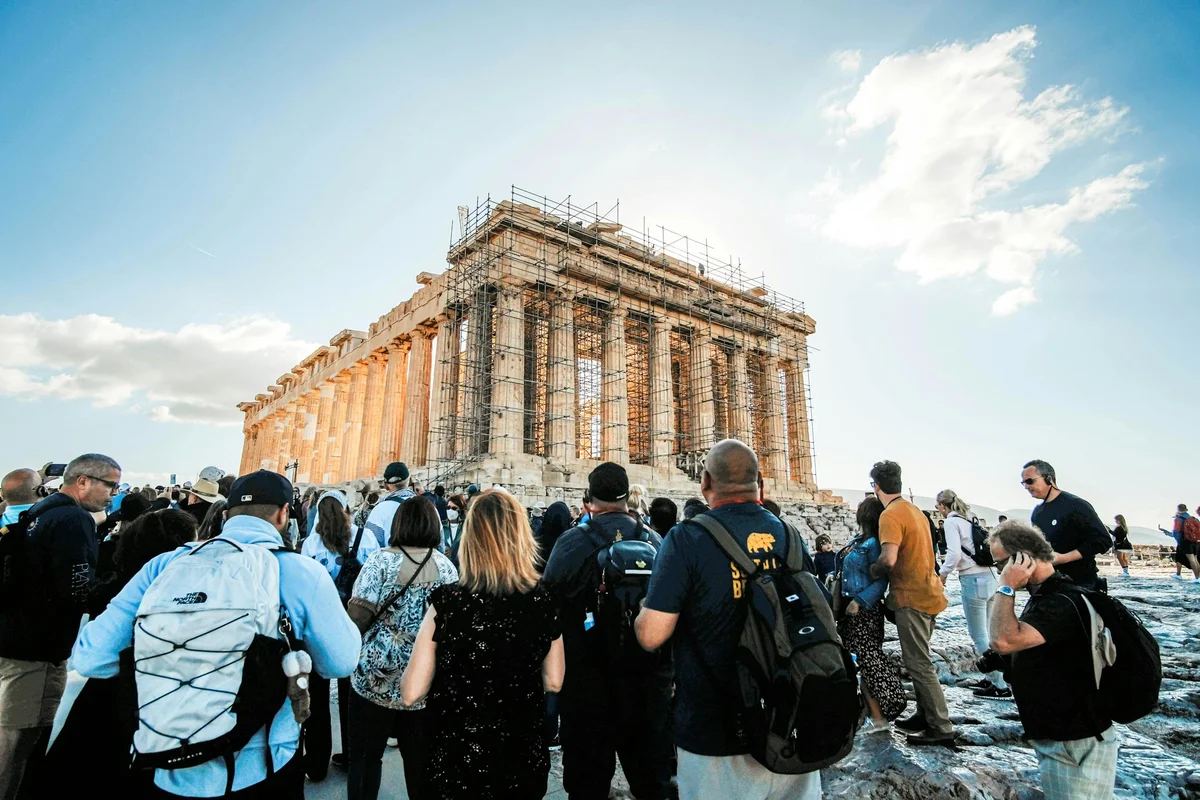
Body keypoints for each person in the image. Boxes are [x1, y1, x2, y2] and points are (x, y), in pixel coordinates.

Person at [72, 470, 361, 799]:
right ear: (284, 514)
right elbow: (340, 662)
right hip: (262, 765)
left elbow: (92, 658)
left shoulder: (163, 566)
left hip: (164, 763)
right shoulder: (300, 572)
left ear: (225, 515)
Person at [635, 439, 821, 800]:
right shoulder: (791, 537)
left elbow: (652, 636)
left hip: (715, 735)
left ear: (704, 481)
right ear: (760, 482)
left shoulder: (687, 538)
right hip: (792, 727)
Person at [401, 490, 564, 799]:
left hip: (454, 758)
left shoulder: (448, 602)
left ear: (470, 539)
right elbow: (554, 680)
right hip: (520, 755)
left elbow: (411, 693)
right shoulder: (543, 600)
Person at [27, 509, 198, 797]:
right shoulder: (169, 594)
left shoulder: (112, 585)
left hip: (97, 707)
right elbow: (96, 656)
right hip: (138, 707)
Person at [543, 464, 673, 800]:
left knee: (587, 788)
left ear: (588, 500)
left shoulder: (571, 543)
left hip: (588, 686)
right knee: (653, 785)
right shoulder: (656, 542)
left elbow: (548, 606)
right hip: (647, 684)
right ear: (627, 498)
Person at [0, 453, 120, 799]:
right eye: (109, 484)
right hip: (39, 644)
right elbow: (76, 586)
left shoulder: (42, 509)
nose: (113, 493)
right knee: (20, 739)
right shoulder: (72, 519)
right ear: (83, 481)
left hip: (14, 632)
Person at [986, 521, 1118, 799]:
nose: (999, 572)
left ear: (1022, 558)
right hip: (1065, 739)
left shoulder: (1060, 601)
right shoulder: (1049, 595)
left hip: (1074, 742)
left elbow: (1002, 640)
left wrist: (1006, 586)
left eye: (1001, 564)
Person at [345, 496, 457, 800]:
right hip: (424, 684)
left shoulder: (380, 561)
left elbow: (357, 617)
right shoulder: (446, 567)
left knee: (366, 760)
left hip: (374, 679)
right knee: (420, 765)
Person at [867, 460, 954, 745]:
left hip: (911, 597)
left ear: (876, 486)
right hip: (930, 593)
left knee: (918, 664)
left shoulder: (890, 515)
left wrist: (872, 571)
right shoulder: (915, 511)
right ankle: (924, 713)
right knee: (919, 659)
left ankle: (940, 727)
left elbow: (889, 558)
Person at [300, 490, 380, 780]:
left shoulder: (311, 543)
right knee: (351, 696)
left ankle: (317, 762)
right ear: (347, 509)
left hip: (319, 626)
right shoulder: (365, 538)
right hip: (354, 624)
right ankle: (351, 756)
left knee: (318, 699)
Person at [836, 497, 906, 734]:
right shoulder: (860, 540)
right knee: (857, 662)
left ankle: (880, 715)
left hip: (863, 610)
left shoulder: (875, 543)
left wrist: (859, 601)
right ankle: (869, 715)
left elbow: (882, 580)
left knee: (866, 662)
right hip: (848, 608)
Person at [935, 489, 1010, 700]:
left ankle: (999, 683)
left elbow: (954, 553)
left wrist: (943, 573)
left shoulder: (951, 522)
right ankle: (991, 676)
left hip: (972, 579)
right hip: (989, 577)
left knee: (978, 635)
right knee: (989, 632)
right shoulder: (970, 517)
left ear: (942, 506)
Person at [1022, 460, 1113, 591]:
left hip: (1082, 582)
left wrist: (1063, 558)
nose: (1026, 486)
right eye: (1023, 483)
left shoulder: (1075, 505)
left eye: (1030, 481)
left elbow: (1103, 540)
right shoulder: (1037, 513)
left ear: (1048, 479)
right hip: (1051, 581)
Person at [363, 462, 416, 548]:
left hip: (390, 559)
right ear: (409, 481)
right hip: (424, 560)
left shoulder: (380, 510)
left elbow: (370, 545)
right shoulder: (429, 507)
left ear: (385, 486)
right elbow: (439, 546)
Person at [1159, 504, 1198, 581]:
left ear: (1178, 510)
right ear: (1186, 509)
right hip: (1195, 541)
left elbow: (1176, 532)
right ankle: (1179, 574)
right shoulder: (1193, 519)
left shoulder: (1178, 519)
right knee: (1185, 559)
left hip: (1183, 542)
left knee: (1192, 560)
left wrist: (1169, 534)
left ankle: (1197, 578)